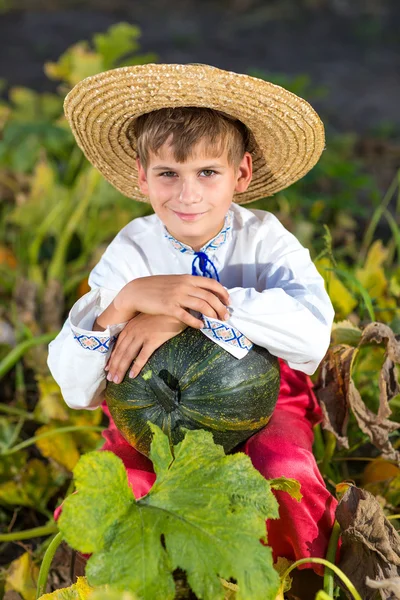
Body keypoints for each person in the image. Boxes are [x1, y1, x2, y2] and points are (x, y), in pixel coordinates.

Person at [48, 63, 336, 592]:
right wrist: (126, 303)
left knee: (285, 471)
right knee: (124, 492)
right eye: (168, 174)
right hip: (150, 411)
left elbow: (312, 336)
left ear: (241, 175)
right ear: (142, 176)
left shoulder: (267, 241)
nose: (187, 195)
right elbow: (75, 388)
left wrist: (186, 306)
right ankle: (141, 584)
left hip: (265, 399)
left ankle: (297, 580)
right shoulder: (132, 252)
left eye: (207, 172)